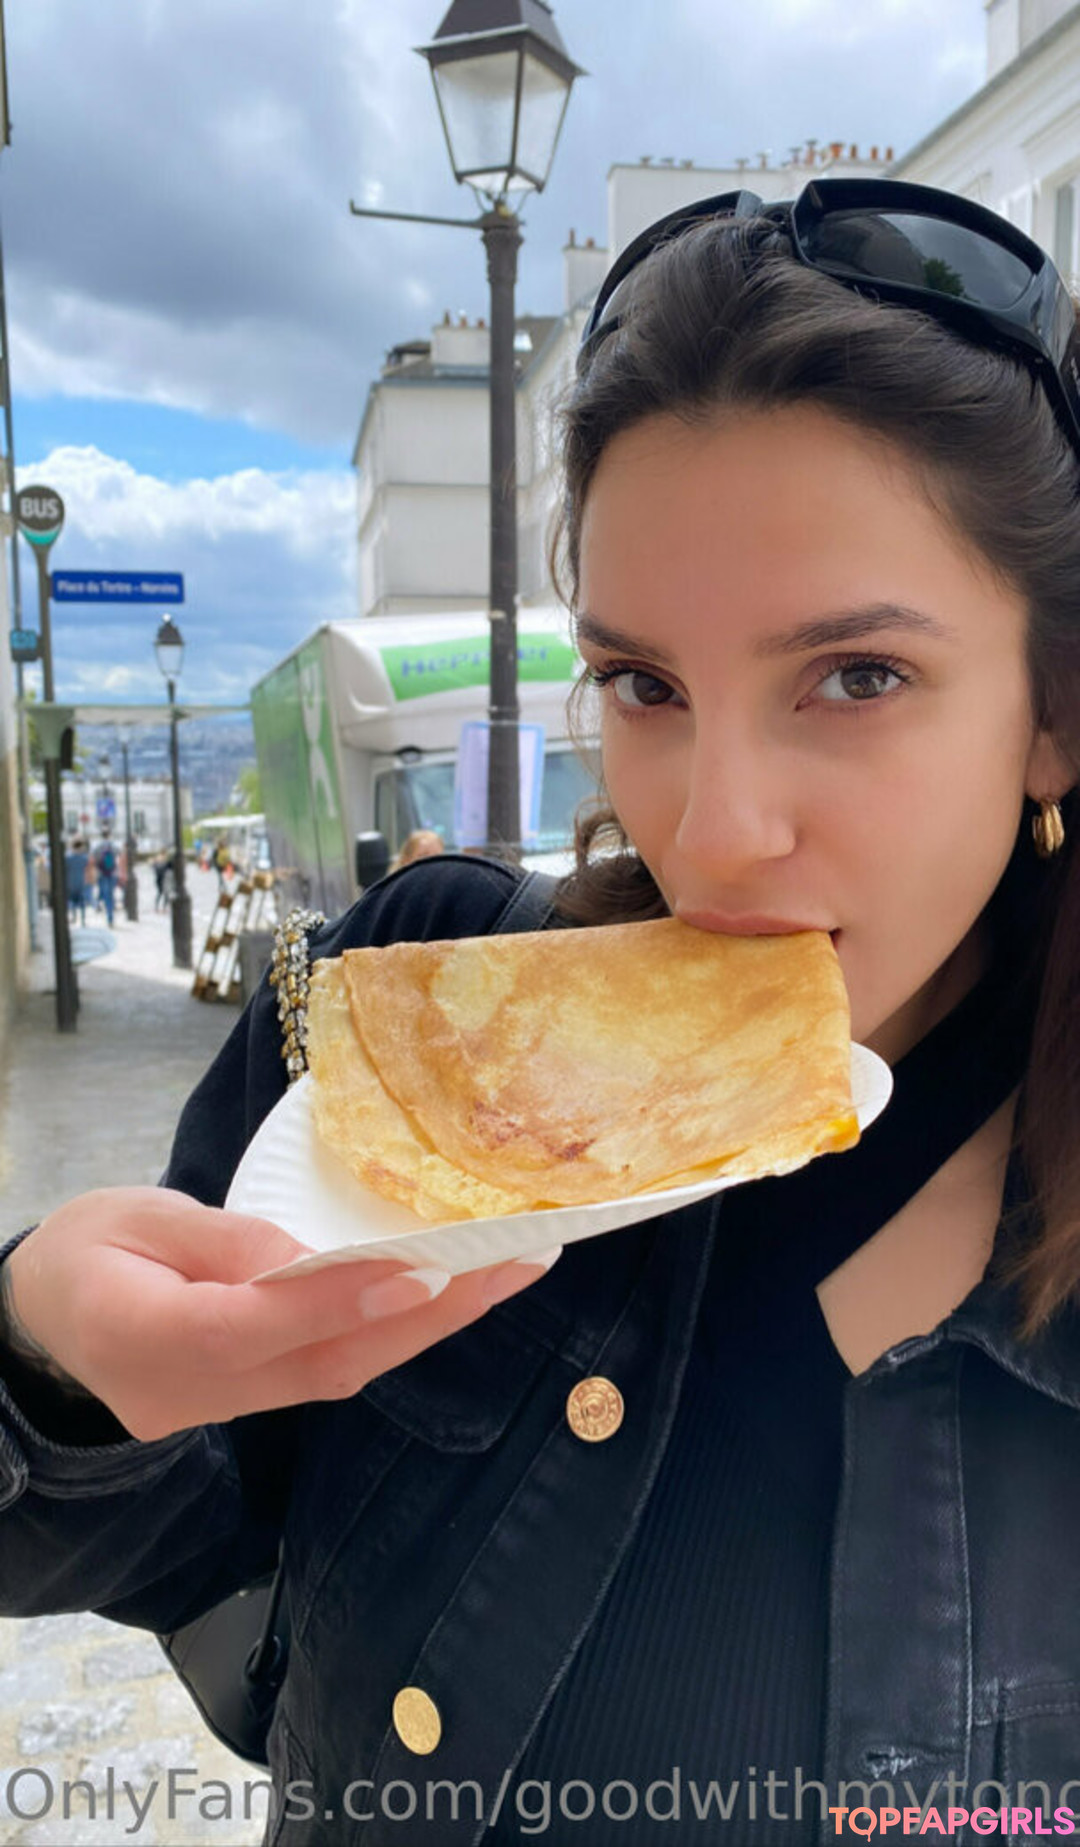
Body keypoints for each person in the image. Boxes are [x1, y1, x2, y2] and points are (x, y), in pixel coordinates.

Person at [1, 180, 1080, 1844]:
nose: (715, 829)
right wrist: (48, 1365)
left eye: (857, 676)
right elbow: (163, 1532)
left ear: (1053, 715)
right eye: (647, 684)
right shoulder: (414, 993)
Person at [63, 836, 89, 927]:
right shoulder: (83, 858)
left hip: (70, 881)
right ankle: (83, 919)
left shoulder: (68, 858)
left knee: (71, 900)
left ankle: (74, 917)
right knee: (82, 901)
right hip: (81, 881)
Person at [93, 835, 117, 926]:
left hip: (101, 874)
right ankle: (110, 916)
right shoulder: (113, 846)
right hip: (112, 874)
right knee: (110, 895)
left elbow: (94, 860)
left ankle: (99, 905)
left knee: (104, 893)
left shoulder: (97, 846)